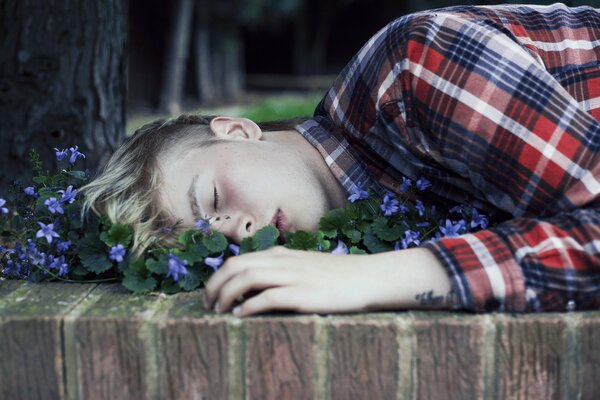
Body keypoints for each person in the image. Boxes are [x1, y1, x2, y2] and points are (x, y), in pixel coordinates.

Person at [80, 3, 600, 317]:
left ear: (237, 130)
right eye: (208, 243)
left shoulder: (414, 69)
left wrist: (378, 277)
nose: (237, 233)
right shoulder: (369, 207)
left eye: (212, 198)